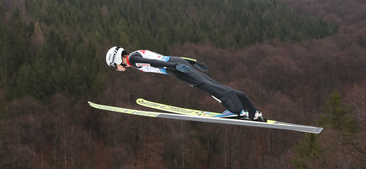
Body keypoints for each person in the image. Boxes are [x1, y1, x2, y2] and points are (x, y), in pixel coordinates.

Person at [106, 46, 266, 122]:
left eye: (115, 66)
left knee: (206, 86)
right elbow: (164, 56)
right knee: (212, 83)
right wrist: (192, 61)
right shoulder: (135, 54)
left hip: (175, 67)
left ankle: (236, 111)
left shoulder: (132, 60)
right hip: (176, 63)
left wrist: (175, 67)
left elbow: (153, 62)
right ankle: (253, 113)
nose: (117, 69)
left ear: (117, 61)